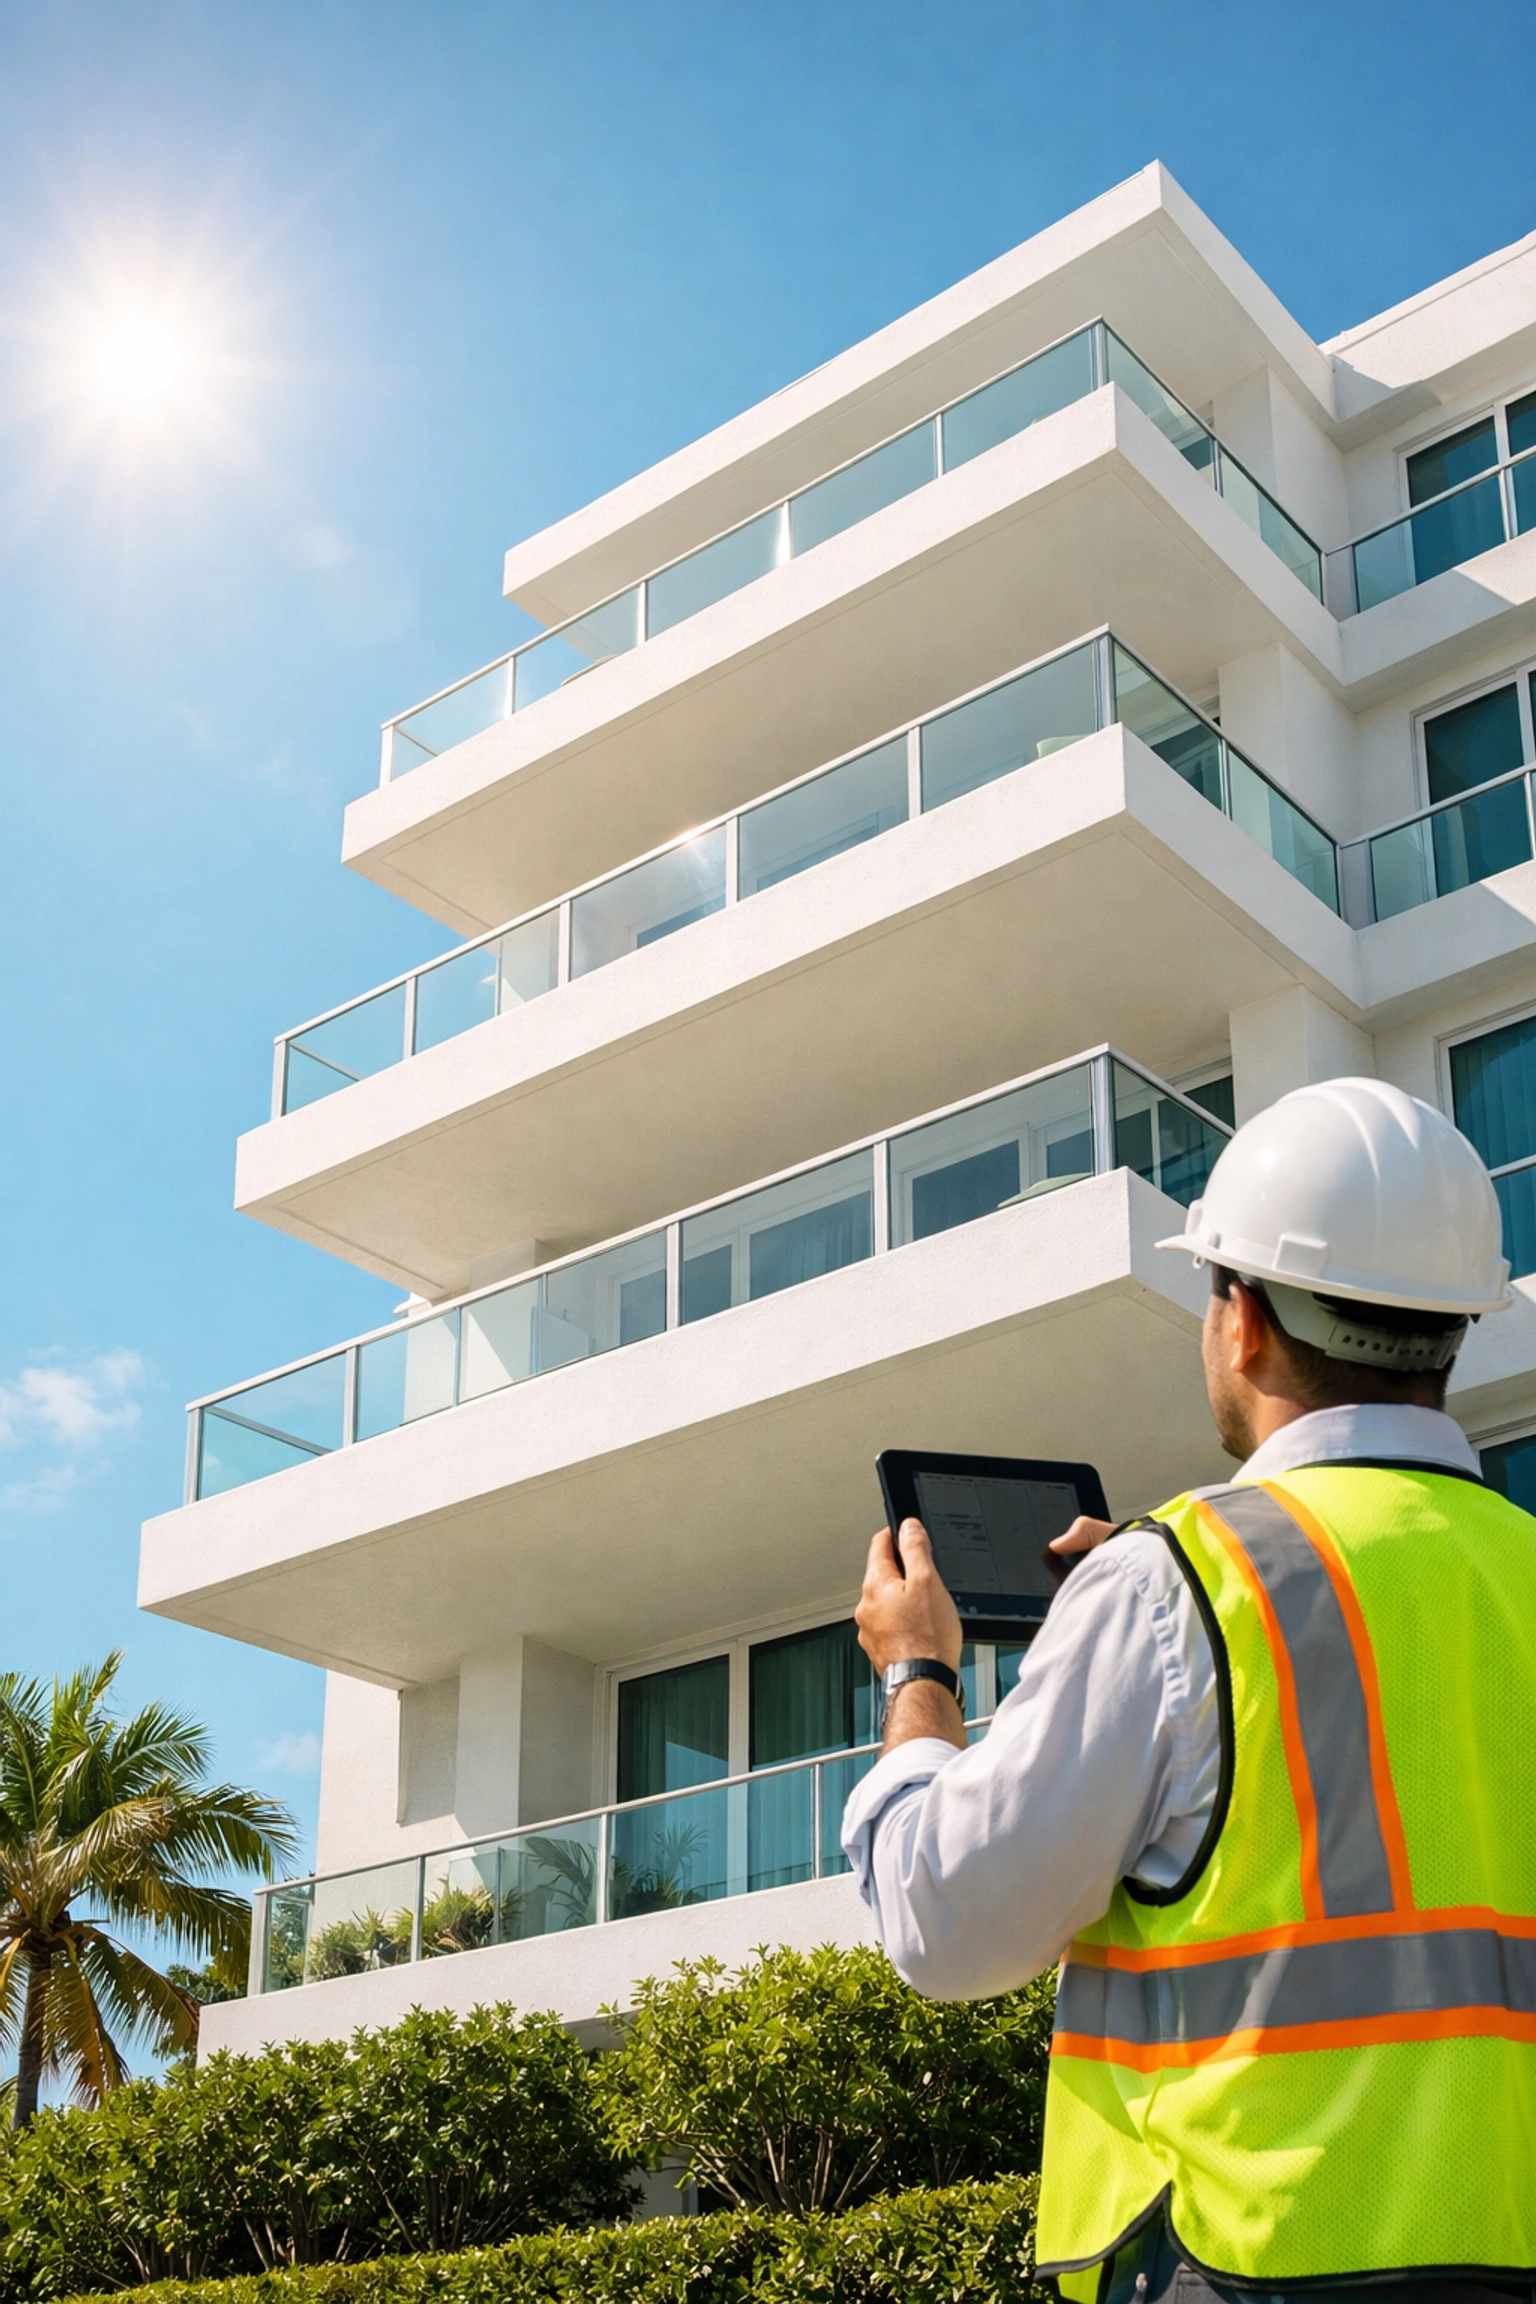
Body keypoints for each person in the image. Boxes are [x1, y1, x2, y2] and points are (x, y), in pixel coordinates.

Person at [842, 1077, 1536, 2303]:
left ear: (1243, 1320)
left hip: (1259, 2265)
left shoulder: (1181, 1583)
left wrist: (919, 1679)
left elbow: (948, 1925)